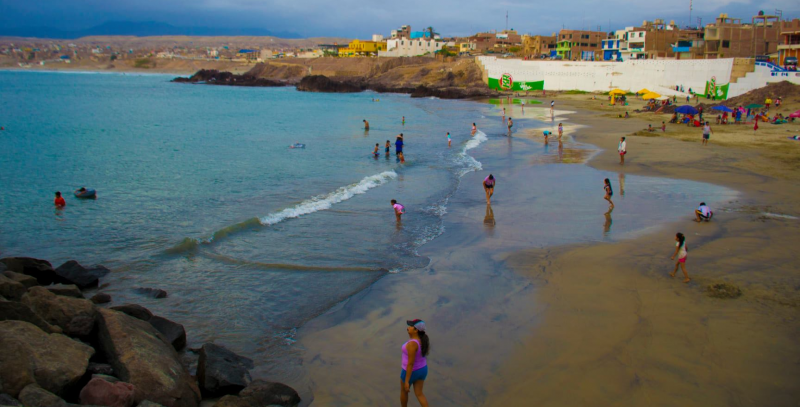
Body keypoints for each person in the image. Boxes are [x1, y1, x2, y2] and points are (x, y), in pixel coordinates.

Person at [401, 319, 430, 407]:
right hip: (422, 369)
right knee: (419, 394)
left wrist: (406, 381)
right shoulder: (422, 340)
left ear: (416, 330)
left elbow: (410, 363)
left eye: (410, 326)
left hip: (410, 371)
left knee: (404, 392)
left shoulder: (412, 344)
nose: (408, 327)